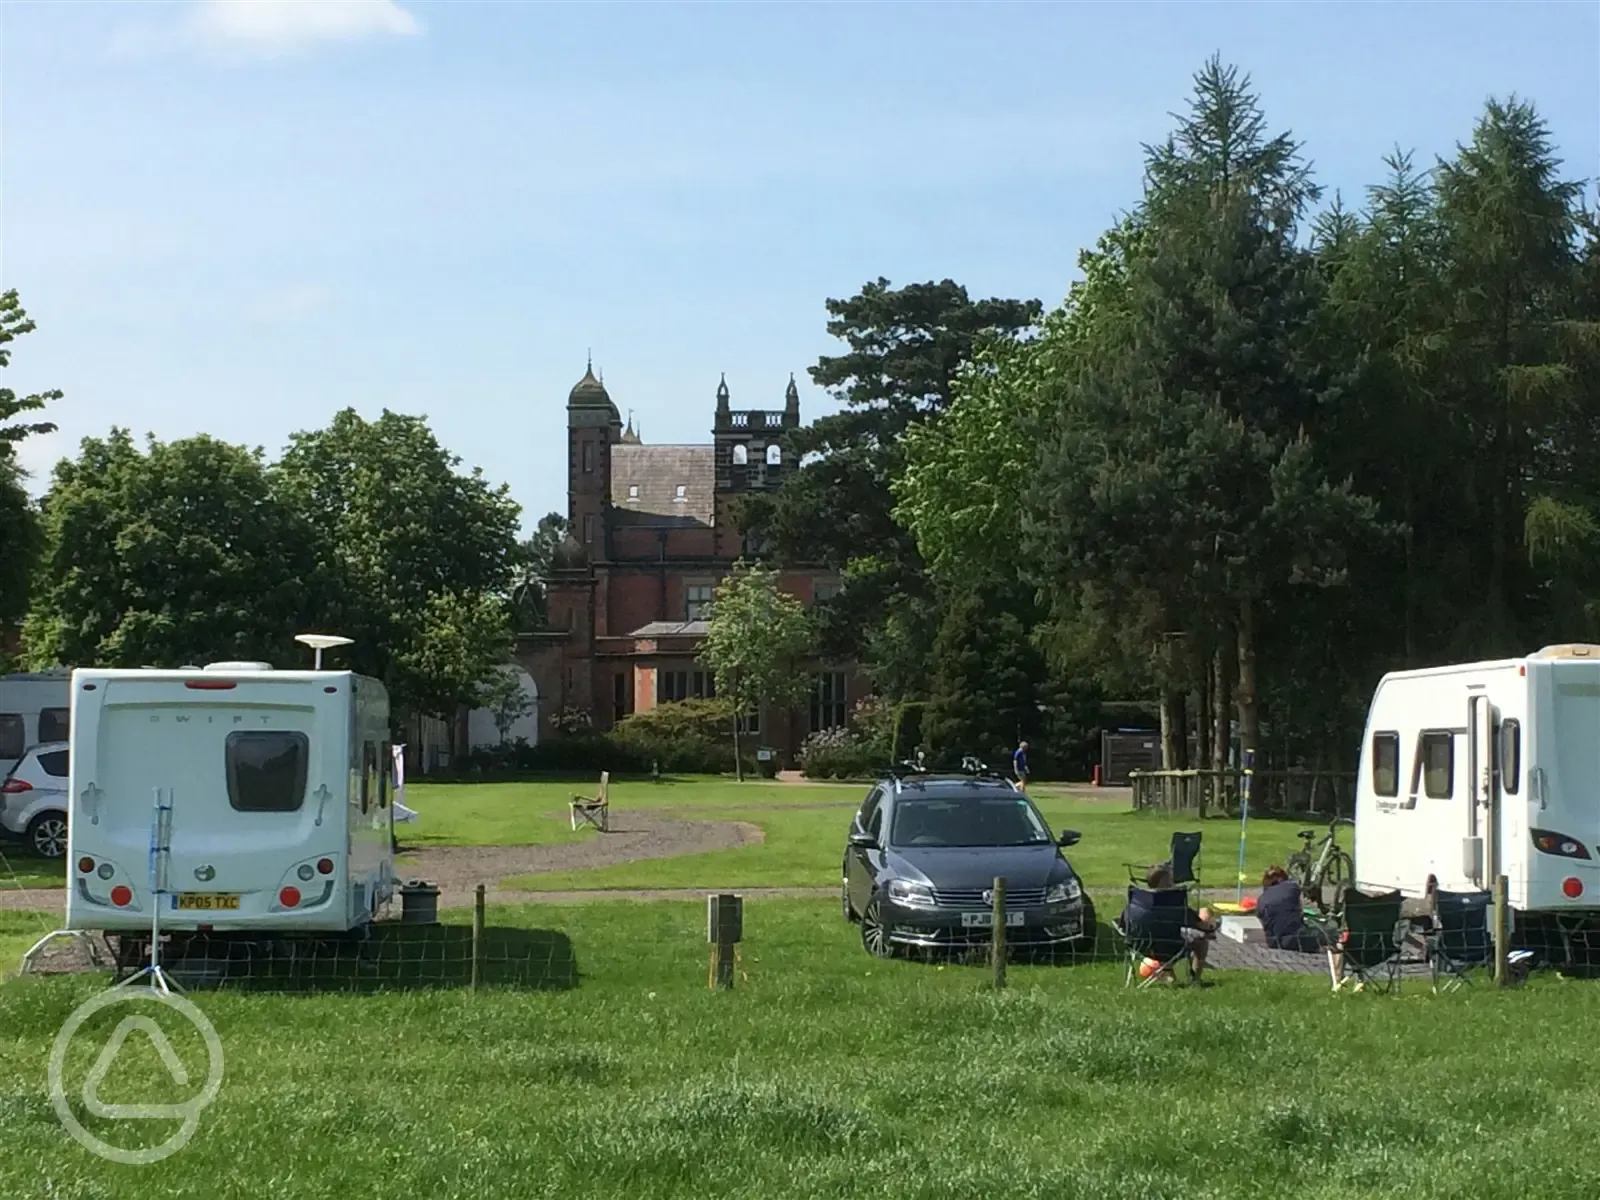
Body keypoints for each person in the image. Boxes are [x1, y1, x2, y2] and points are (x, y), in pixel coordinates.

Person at [1121, 863, 1217, 984]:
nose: (1174, 883)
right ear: (1164, 883)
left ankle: (1167, 973)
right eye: (1171, 880)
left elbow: (1123, 923)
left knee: (1162, 935)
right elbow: (1198, 925)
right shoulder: (1173, 901)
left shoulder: (1138, 898)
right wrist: (1211, 927)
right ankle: (1195, 980)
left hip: (1141, 947)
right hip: (1171, 948)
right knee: (1201, 942)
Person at [1256, 865, 1335, 952]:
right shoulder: (1291, 888)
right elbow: (1304, 892)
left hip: (1273, 943)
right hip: (1295, 939)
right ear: (1281, 879)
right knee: (1330, 931)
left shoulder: (1261, 900)